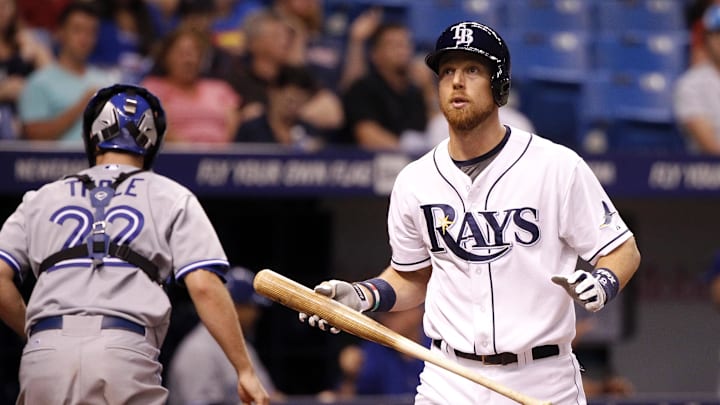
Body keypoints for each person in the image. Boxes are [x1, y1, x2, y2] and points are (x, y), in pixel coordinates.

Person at [300, 21, 641, 404]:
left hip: (541, 375)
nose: (456, 82)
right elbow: (412, 277)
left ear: (499, 86)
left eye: (472, 70)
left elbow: (623, 249)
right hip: (449, 376)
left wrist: (605, 282)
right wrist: (364, 295)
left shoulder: (557, 166)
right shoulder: (415, 180)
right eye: (447, 72)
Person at [0, 83, 269, 405]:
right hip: (123, 350)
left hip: (44, 353)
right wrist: (244, 369)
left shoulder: (41, 197)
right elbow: (204, 286)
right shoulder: (170, 194)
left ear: (93, 136)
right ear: (151, 142)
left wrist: (35, 332)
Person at [168, 266, 281, 404]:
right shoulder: (199, 350)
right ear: (232, 306)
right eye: (251, 306)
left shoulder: (243, 347)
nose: (256, 314)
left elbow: (271, 397)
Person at [17, 1, 111, 142]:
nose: (84, 38)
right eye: (77, 30)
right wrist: (83, 105)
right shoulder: (38, 82)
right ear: (60, 32)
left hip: (100, 162)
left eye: (90, 32)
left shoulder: (106, 80)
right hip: (56, 162)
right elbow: (34, 137)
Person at [141, 27, 241, 144]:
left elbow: (233, 126)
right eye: (182, 54)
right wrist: (191, 152)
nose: (189, 60)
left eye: (194, 53)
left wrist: (216, 154)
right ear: (166, 57)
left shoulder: (220, 88)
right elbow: (154, 125)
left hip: (219, 157)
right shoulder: (153, 88)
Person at [339, 23, 429, 152]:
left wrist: (428, 89)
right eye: (394, 45)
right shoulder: (363, 88)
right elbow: (367, 135)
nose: (402, 50)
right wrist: (412, 157)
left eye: (405, 44)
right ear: (375, 55)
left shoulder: (414, 92)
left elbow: (433, 131)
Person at [235, 64, 323, 151]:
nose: (294, 107)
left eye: (300, 103)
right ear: (273, 92)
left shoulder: (310, 132)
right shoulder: (250, 130)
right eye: (290, 100)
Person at [0, 0, 53, 139]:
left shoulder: (27, 41)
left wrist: (37, 51)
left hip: (25, 119)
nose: (1, 10)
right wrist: (3, 92)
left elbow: (54, 81)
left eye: (5, 5)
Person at [675, 3, 720, 155]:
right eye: (718, 33)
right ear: (707, 38)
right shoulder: (691, 84)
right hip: (707, 174)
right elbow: (711, 147)